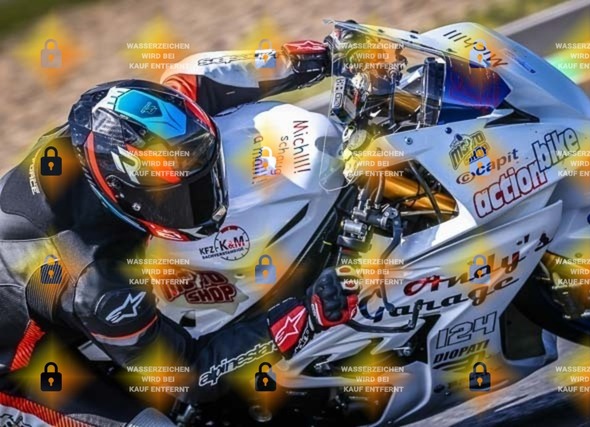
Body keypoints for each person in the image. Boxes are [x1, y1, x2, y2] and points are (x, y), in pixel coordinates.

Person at [0, 38, 360, 426]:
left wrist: (319, 57)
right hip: (21, 369)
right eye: (181, 197)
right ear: (125, 191)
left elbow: (192, 79)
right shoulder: (96, 282)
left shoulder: (107, 136)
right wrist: (305, 314)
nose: (204, 201)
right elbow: (190, 376)